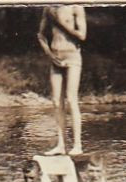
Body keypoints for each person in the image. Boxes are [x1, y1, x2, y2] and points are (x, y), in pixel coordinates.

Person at [38, 5, 85, 154]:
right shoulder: (49, 8)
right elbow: (40, 35)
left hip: (72, 57)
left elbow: (82, 35)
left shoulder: (76, 7)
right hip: (55, 58)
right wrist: (50, 55)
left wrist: (60, 22)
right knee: (56, 101)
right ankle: (61, 144)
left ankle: (77, 145)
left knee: (71, 99)